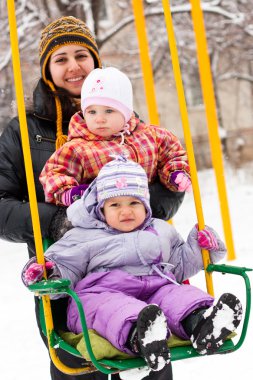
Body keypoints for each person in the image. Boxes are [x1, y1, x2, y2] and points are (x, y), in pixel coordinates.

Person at [0, 15, 181, 380]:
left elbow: (166, 179)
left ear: (95, 61)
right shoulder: (25, 129)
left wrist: (144, 211)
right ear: (48, 69)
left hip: (139, 265)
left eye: (81, 55)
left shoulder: (125, 123)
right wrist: (56, 219)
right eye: (61, 58)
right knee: (82, 368)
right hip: (69, 274)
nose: (73, 66)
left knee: (149, 361)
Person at [23, 156, 242, 379]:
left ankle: (202, 322)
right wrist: (48, 271)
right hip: (102, 293)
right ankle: (140, 335)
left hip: (155, 290)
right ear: (101, 209)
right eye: (115, 205)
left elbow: (180, 264)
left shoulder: (159, 230)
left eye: (133, 203)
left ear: (145, 205)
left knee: (178, 294)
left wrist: (201, 247)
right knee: (111, 308)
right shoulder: (83, 235)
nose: (126, 211)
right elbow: (66, 264)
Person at [39, 66, 192, 208]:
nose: (99, 119)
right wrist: (68, 193)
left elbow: (172, 154)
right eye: (92, 112)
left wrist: (176, 173)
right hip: (100, 222)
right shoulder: (77, 148)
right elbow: (54, 173)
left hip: (144, 214)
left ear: (125, 112)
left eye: (109, 111)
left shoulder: (151, 136)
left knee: (165, 235)